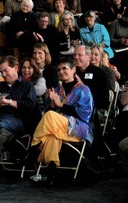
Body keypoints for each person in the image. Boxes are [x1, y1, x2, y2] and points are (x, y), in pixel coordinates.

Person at [30, 57, 94, 187]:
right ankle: (53, 173)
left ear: (73, 70)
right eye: (59, 69)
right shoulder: (58, 90)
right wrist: (53, 105)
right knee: (51, 135)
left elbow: (85, 114)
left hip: (79, 128)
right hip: (58, 128)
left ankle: (32, 150)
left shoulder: (84, 89)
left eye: (64, 68)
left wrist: (60, 105)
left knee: (50, 117)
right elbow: (49, 112)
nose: (61, 72)